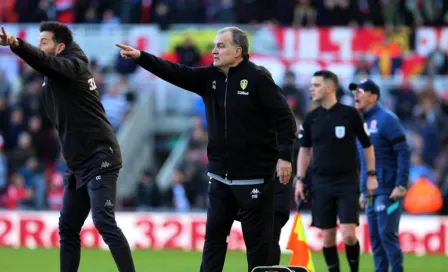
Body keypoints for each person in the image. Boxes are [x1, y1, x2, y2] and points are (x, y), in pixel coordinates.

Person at [116, 26, 297, 272]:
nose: (213, 50)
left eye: (220, 46)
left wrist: (284, 157)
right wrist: (142, 57)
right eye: (214, 45)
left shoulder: (257, 78)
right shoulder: (209, 77)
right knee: (213, 242)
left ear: (238, 51)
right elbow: (174, 72)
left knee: (259, 249)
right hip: (219, 178)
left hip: (253, 178)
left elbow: (285, 118)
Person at [0, 22, 136, 272]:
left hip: (100, 155)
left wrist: (17, 45)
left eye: (44, 42)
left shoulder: (72, 66)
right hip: (77, 162)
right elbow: (44, 66)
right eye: (38, 42)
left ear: (60, 47)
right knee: (68, 228)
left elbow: (46, 62)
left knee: (103, 221)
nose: (40, 47)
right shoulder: (54, 72)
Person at [294, 70, 378, 272]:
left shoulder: (350, 114)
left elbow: (368, 145)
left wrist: (371, 176)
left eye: (316, 85)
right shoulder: (311, 118)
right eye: (311, 85)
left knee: (349, 234)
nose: (311, 89)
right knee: (328, 237)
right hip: (321, 183)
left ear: (330, 87)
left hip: (347, 182)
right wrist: (299, 180)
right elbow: (304, 151)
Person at [350, 79, 410, 272]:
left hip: (388, 188)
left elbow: (404, 152)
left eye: (361, 91)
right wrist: (362, 190)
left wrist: (401, 184)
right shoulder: (361, 122)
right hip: (370, 191)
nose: (355, 95)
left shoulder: (387, 119)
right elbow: (363, 160)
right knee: (375, 238)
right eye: (355, 91)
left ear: (374, 97)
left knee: (386, 234)